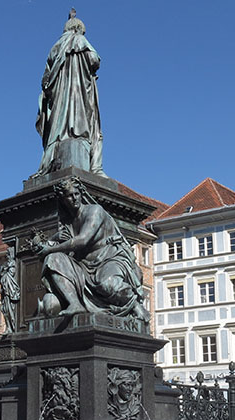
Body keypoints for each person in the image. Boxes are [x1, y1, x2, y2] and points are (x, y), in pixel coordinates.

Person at [35, 179, 149, 324]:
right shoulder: (68, 223)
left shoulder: (94, 211)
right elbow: (57, 243)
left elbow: (82, 240)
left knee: (107, 284)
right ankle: (75, 303)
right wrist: (50, 242)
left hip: (109, 258)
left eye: (77, 194)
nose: (75, 198)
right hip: (84, 264)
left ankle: (134, 304)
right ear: (63, 199)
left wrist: (49, 249)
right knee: (53, 259)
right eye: (70, 196)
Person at [33, 9, 105, 177]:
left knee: (58, 123)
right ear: (78, 29)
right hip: (77, 93)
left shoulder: (54, 48)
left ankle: (53, 152)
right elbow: (94, 60)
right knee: (79, 122)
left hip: (58, 98)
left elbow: (45, 80)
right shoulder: (79, 39)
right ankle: (77, 140)